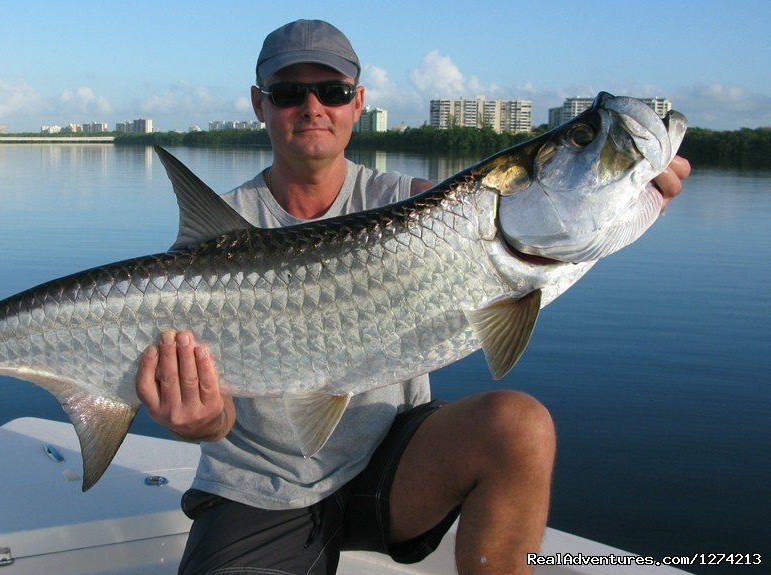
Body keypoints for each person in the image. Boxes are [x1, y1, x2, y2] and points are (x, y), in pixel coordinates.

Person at [135, 19, 691, 575]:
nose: (312, 107)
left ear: (358, 103)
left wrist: (630, 198)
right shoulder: (222, 238)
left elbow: (569, 229)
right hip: (259, 486)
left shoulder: (416, 202)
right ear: (260, 105)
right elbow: (214, 407)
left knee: (521, 425)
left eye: (332, 91)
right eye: (287, 93)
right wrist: (201, 422)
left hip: (393, 467)